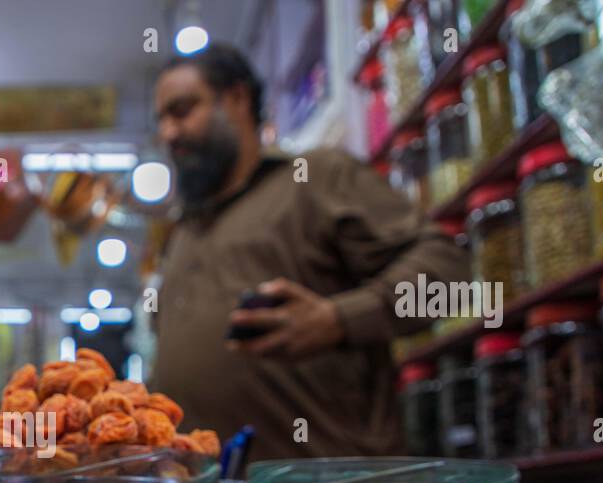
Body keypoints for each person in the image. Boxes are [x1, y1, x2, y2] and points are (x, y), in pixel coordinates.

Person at [151, 45, 470, 461]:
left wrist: (339, 319)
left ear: (236, 99)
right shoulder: (182, 232)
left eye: (182, 111)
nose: (169, 133)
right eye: (162, 120)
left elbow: (453, 278)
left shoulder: (316, 178)